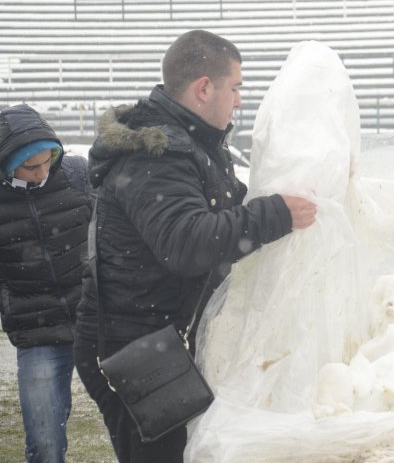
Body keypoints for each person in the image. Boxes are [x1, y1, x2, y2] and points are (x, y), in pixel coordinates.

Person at [73, 29, 319, 463]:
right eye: (236, 87)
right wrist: (275, 214)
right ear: (204, 89)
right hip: (135, 351)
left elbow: (223, 212)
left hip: (162, 338)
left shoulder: (192, 145)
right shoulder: (156, 153)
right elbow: (186, 244)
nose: (240, 100)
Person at [0, 104, 94, 463]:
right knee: (44, 444)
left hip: (95, 322)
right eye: (31, 166)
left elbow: (112, 232)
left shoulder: (76, 174)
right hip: (37, 333)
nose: (42, 173)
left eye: (47, 162)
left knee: (136, 425)